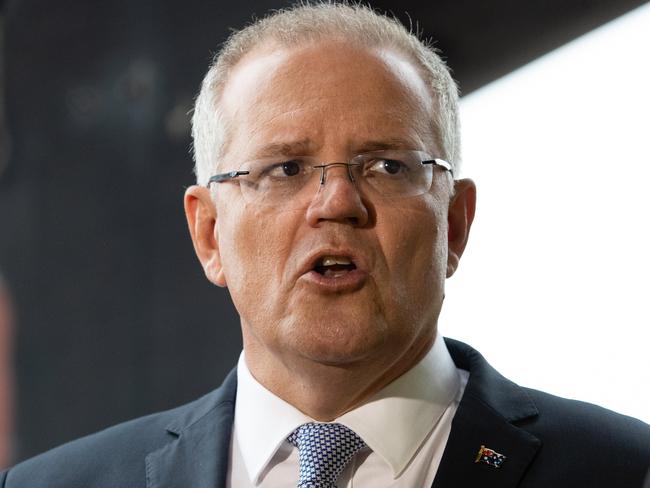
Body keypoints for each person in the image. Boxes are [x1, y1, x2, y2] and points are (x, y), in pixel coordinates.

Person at [2, 3, 649, 487]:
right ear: (209, 234)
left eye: (388, 166)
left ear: (454, 223)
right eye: (284, 169)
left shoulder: (624, 471)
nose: (337, 202)